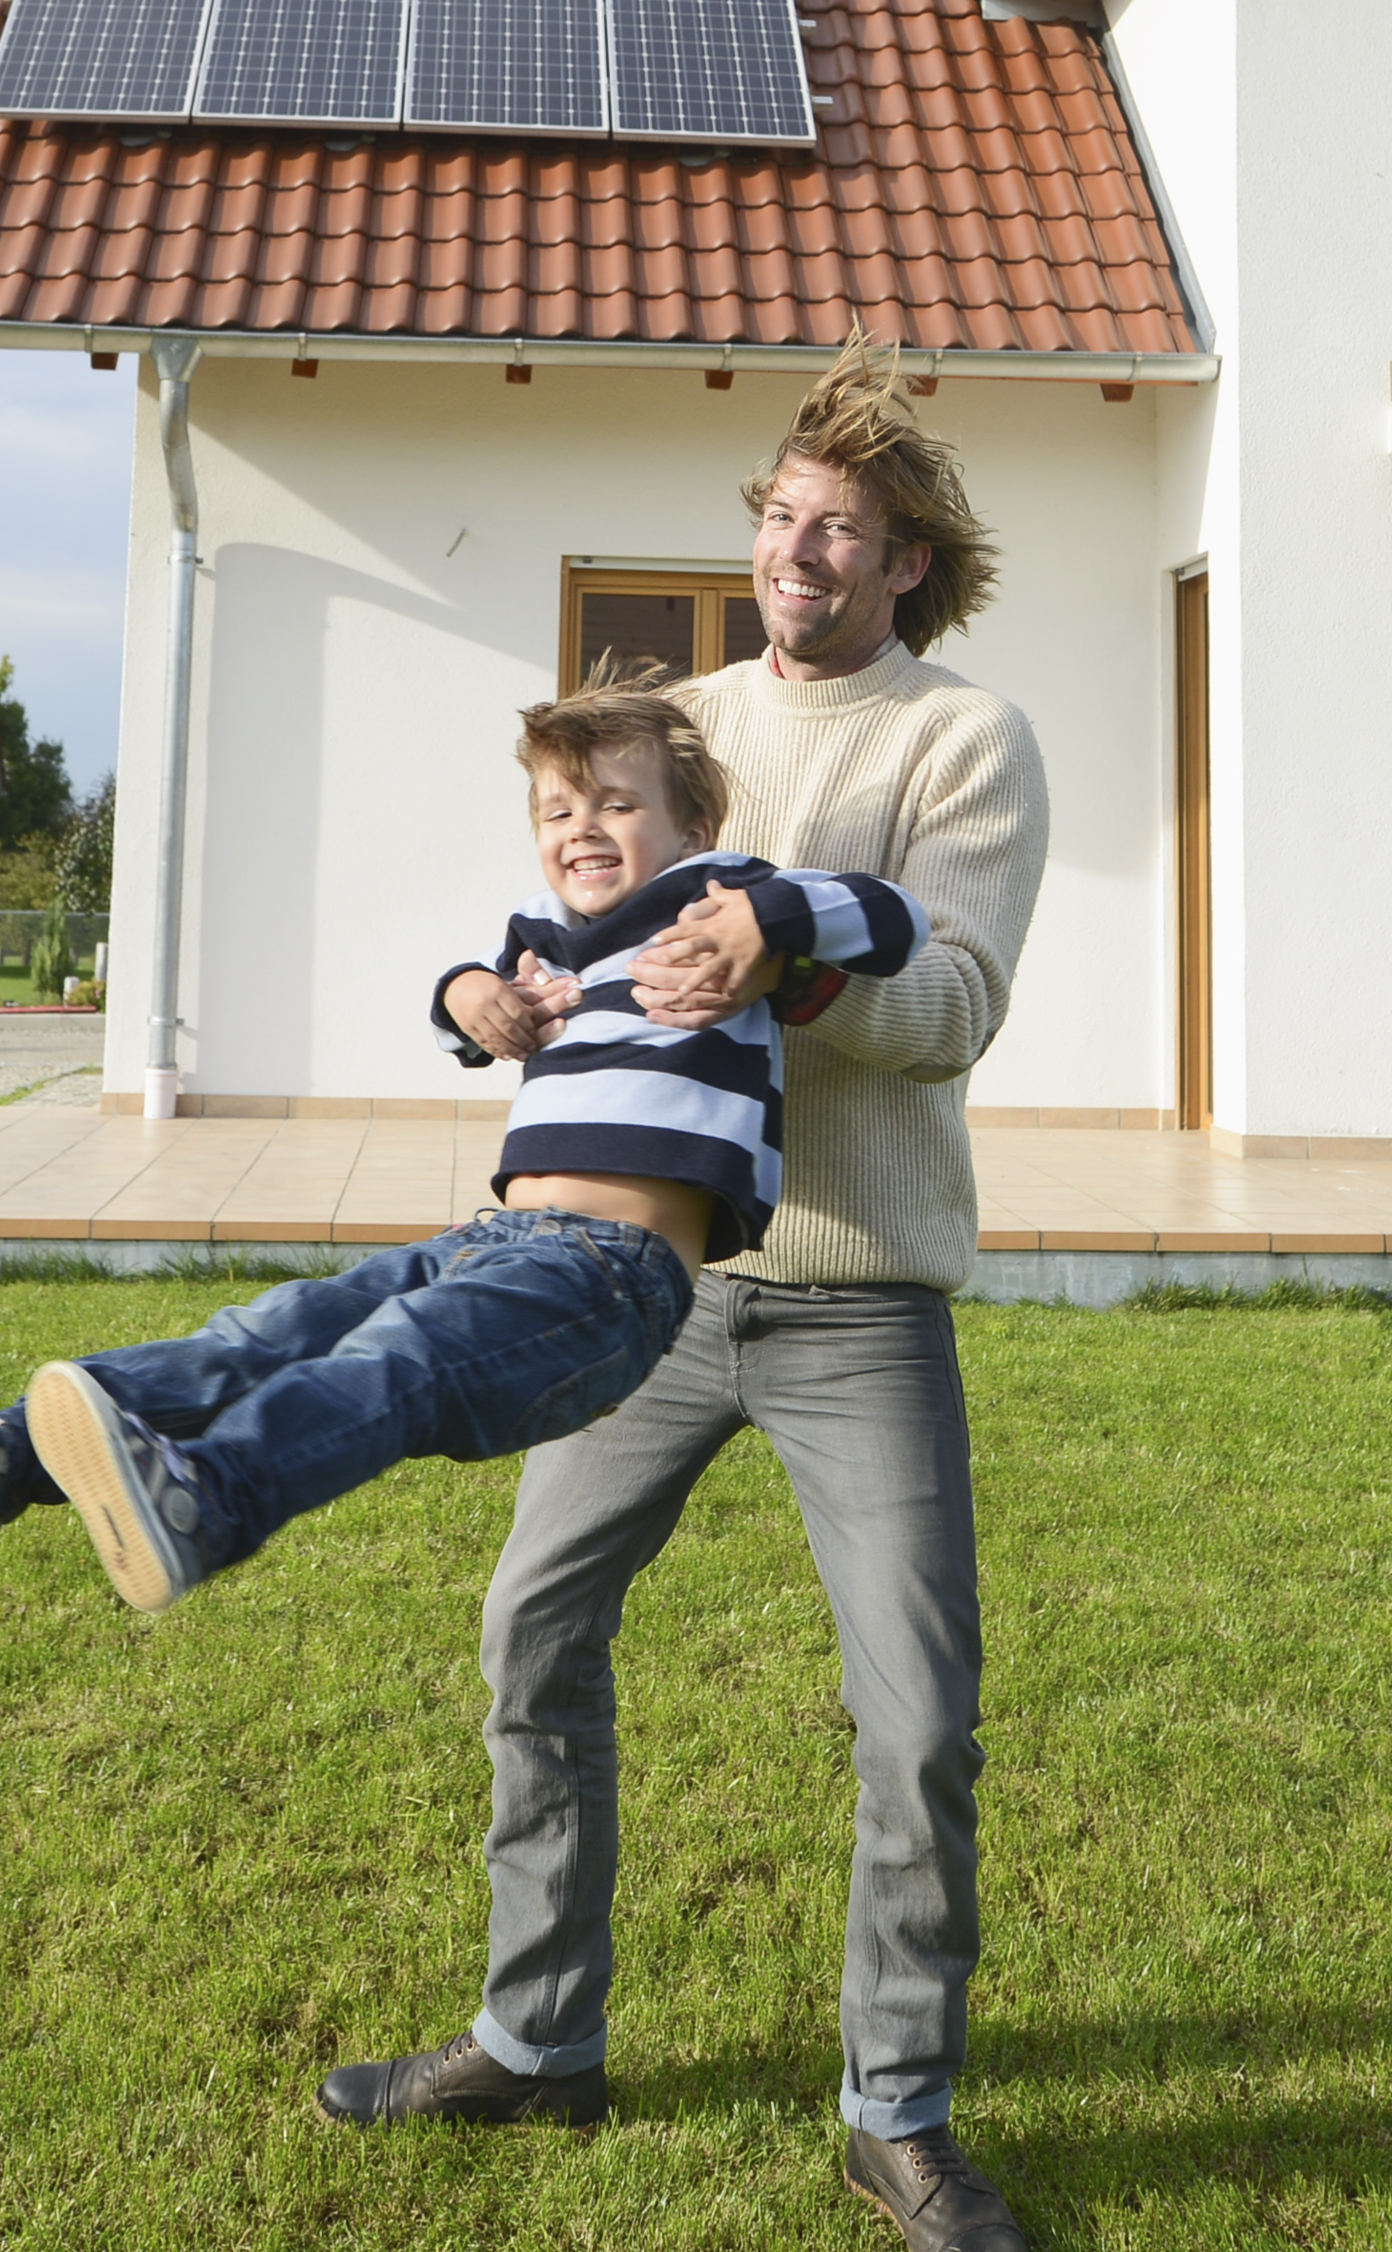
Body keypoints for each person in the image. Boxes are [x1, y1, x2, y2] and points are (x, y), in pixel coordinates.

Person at [318, 339, 1052, 2252]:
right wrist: (496, 996)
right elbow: (570, 910)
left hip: (853, 1292)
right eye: (781, 513)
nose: (801, 546)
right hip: (640, 1278)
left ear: (904, 564)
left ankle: (896, 2110)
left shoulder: (959, 738)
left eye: (844, 528)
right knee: (531, 1626)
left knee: (917, 1716)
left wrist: (785, 968)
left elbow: (955, 1002)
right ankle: (537, 2034)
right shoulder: (686, 715)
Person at [0, 682, 919, 1616]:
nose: (581, 825)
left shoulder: (713, 895)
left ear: (689, 827)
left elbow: (888, 917)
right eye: (556, 806)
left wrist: (764, 923)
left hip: (614, 1275)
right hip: (496, 1240)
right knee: (266, 1330)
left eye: (617, 803)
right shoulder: (541, 934)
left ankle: (211, 1498)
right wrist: (470, 992)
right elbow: (461, 1005)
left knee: (397, 1355)